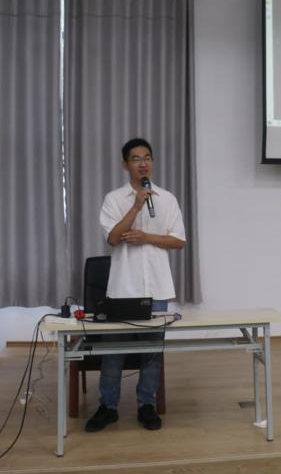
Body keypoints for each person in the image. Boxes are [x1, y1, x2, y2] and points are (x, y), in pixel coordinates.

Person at [85, 138, 186, 433]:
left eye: (147, 157)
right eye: (136, 158)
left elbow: (178, 241)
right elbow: (113, 239)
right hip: (123, 287)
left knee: (151, 351)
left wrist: (147, 237)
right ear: (125, 165)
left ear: (152, 162)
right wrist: (136, 205)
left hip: (157, 287)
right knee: (113, 351)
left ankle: (146, 405)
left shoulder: (167, 199)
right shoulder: (114, 199)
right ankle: (108, 407)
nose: (143, 163)